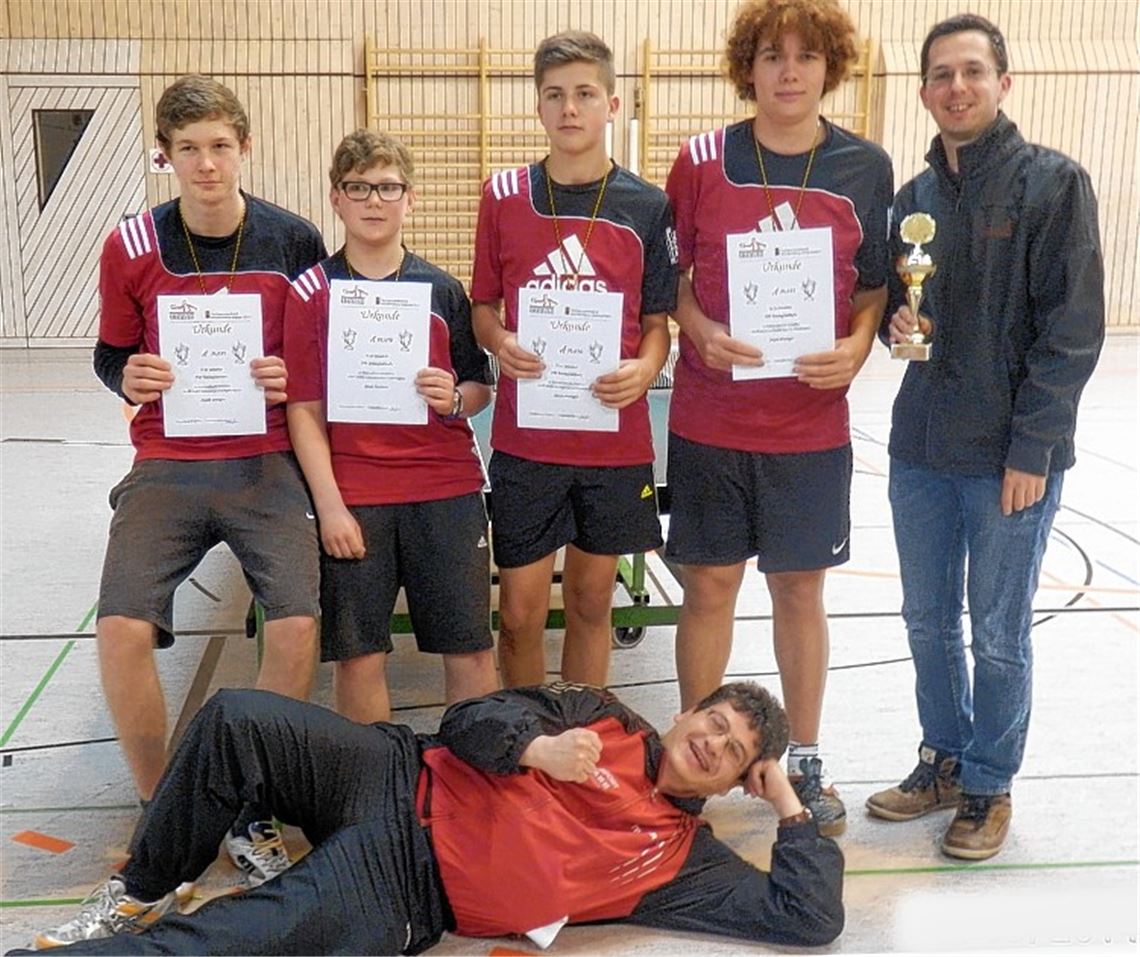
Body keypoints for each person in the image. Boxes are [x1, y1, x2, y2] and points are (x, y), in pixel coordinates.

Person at [29, 681, 843, 953]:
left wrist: (790, 806)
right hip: (392, 771)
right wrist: (536, 749)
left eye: (735, 749)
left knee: (224, 942)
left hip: (407, 886)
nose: (712, 740)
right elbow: (469, 717)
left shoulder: (681, 859)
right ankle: (141, 886)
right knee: (236, 716)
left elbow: (807, 916)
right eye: (714, 720)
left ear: (743, 776)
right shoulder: (599, 711)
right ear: (687, 711)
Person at [865, 14, 1105, 860]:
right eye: (941, 74)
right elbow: (912, 316)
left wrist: (1032, 452)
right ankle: (944, 757)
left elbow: (1071, 333)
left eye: (973, 71)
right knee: (927, 621)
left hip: (1009, 460)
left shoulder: (1054, 185)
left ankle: (990, 781)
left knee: (997, 632)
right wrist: (901, 326)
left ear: (1004, 83)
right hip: (921, 449)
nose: (956, 87)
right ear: (925, 91)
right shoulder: (913, 201)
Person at [90, 75, 327, 885]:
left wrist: (285, 373)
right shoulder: (129, 244)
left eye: (219, 145)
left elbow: (315, 357)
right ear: (167, 157)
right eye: (187, 149)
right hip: (167, 460)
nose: (205, 164)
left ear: (245, 148)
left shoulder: (292, 240)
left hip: (264, 459)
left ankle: (254, 797)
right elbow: (108, 353)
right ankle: (170, 806)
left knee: (296, 622)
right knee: (120, 627)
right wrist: (133, 376)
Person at [663, 0, 892, 836]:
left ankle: (808, 756)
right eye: (771, 55)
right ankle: (692, 762)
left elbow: (873, 289)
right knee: (710, 587)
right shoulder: (700, 159)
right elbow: (673, 275)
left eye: (805, 56)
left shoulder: (866, 167)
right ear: (747, 67)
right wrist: (700, 327)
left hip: (809, 429)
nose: (788, 70)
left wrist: (858, 346)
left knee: (799, 589)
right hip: (711, 419)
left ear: (831, 67)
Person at [471, 31, 678, 688]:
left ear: (611, 104)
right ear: (538, 107)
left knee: (591, 603)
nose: (570, 108)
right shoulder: (502, 196)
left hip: (613, 445)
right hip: (527, 440)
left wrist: (645, 369)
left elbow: (657, 327)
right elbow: (482, 306)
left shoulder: (647, 206)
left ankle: (584, 743)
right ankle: (531, 748)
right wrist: (499, 343)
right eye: (554, 95)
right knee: (521, 615)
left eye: (585, 94)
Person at [284, 129, 498, 723]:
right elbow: (302, 408)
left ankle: (471, 788)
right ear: (336, 199)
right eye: (359, 188)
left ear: (411, 198)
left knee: (472, 651)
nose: (373, 201)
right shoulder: (310, 293)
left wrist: (454, 398)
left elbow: (480, 386)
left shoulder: (442, 290)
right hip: (356, 500)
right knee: (359, 658)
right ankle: (371, 790)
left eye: (387, 187)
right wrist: (329, 507)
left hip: (445, 492)